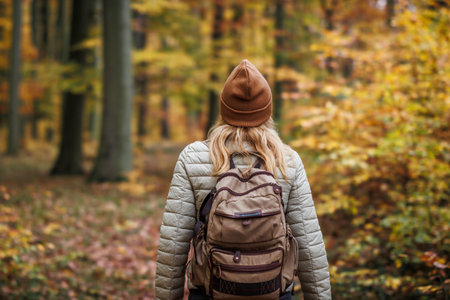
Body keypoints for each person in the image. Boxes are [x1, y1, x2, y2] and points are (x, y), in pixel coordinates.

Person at [155, 59, 331, 300]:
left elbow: (173, 246)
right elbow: (310, 248)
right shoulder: (286, 160)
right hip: (274, 293)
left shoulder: (194, 157)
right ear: (268, 110)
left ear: (224, 108)